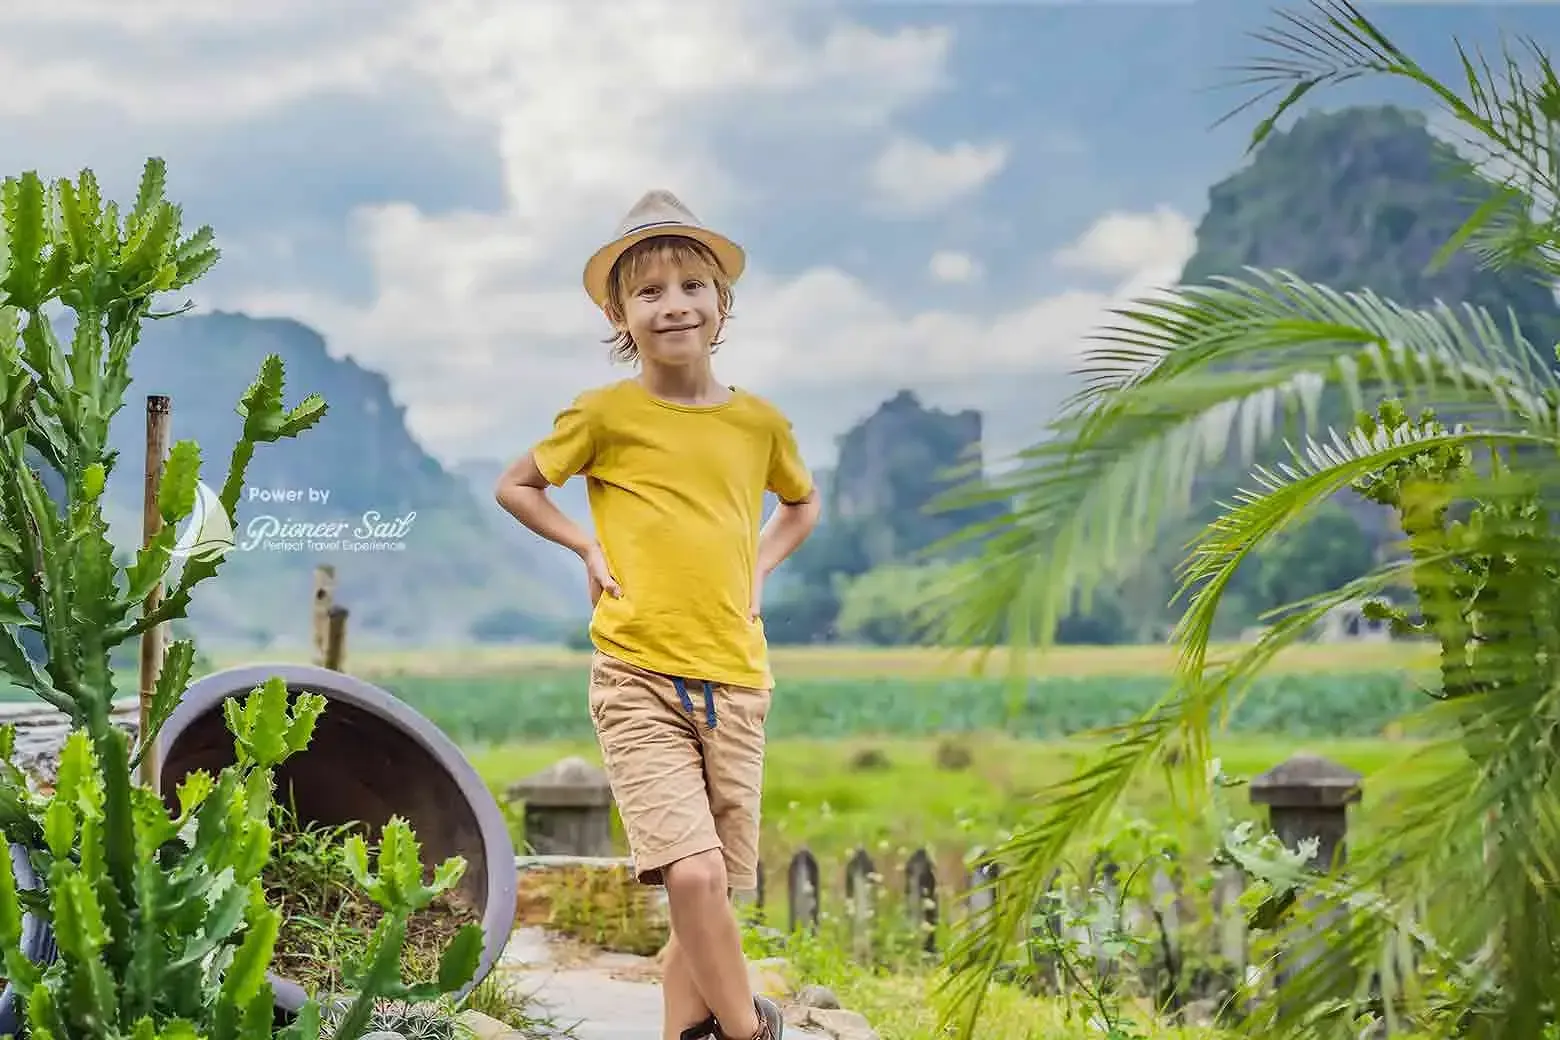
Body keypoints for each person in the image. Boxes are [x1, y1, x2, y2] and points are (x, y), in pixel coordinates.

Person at [495, 190, 821, 1040]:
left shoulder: (759, 422)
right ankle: (753, 1032)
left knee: (702, 902)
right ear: (619, 314)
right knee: (694, 880)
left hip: (740, 683)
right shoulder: (604, 414)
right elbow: (518, 485)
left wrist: (759, 562)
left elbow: (799, 505)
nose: (673, 303)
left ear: (721, 304)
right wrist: (585, 547)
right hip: (638, 676)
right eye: (649, 291)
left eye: (691, 286)